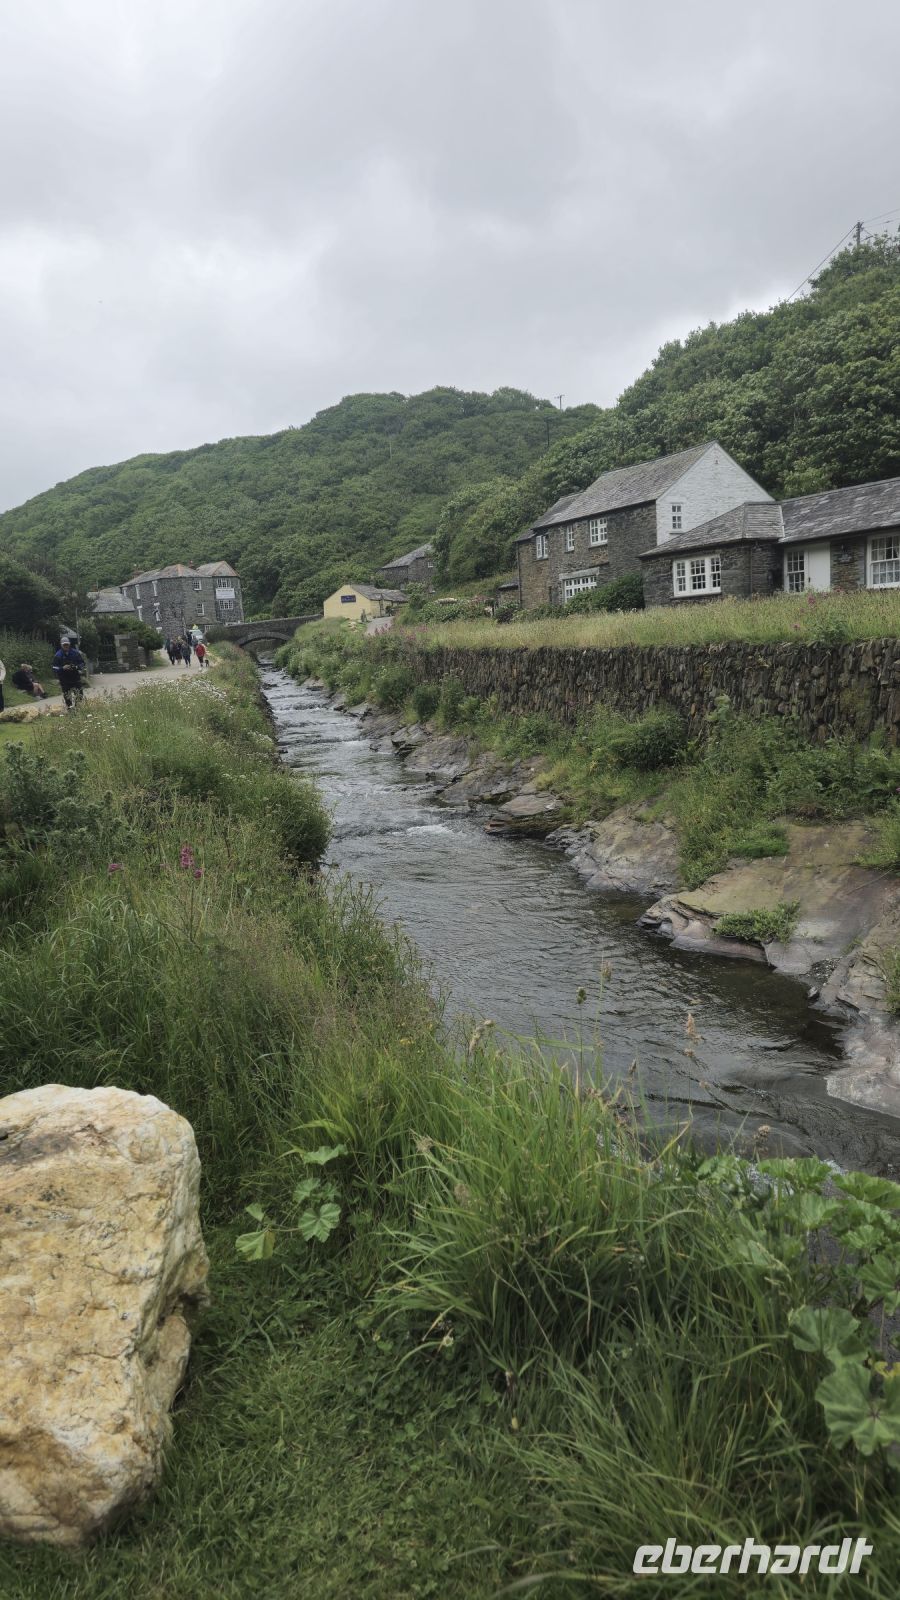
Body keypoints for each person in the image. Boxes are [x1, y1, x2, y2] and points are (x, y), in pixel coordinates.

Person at [52, 638, 87, 709]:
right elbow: (54, 668)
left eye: (67, 644)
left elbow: (82, 663)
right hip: (64, 678)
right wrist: (62, 668)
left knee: (79, 693)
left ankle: (78, 708)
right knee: (67, 695)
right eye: (64, 645)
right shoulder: (58, 655)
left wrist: (76, 667)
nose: (66, 646)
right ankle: (70, 709)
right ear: (61, 645)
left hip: (75, 676)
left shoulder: (75, 653)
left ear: (69, 644)